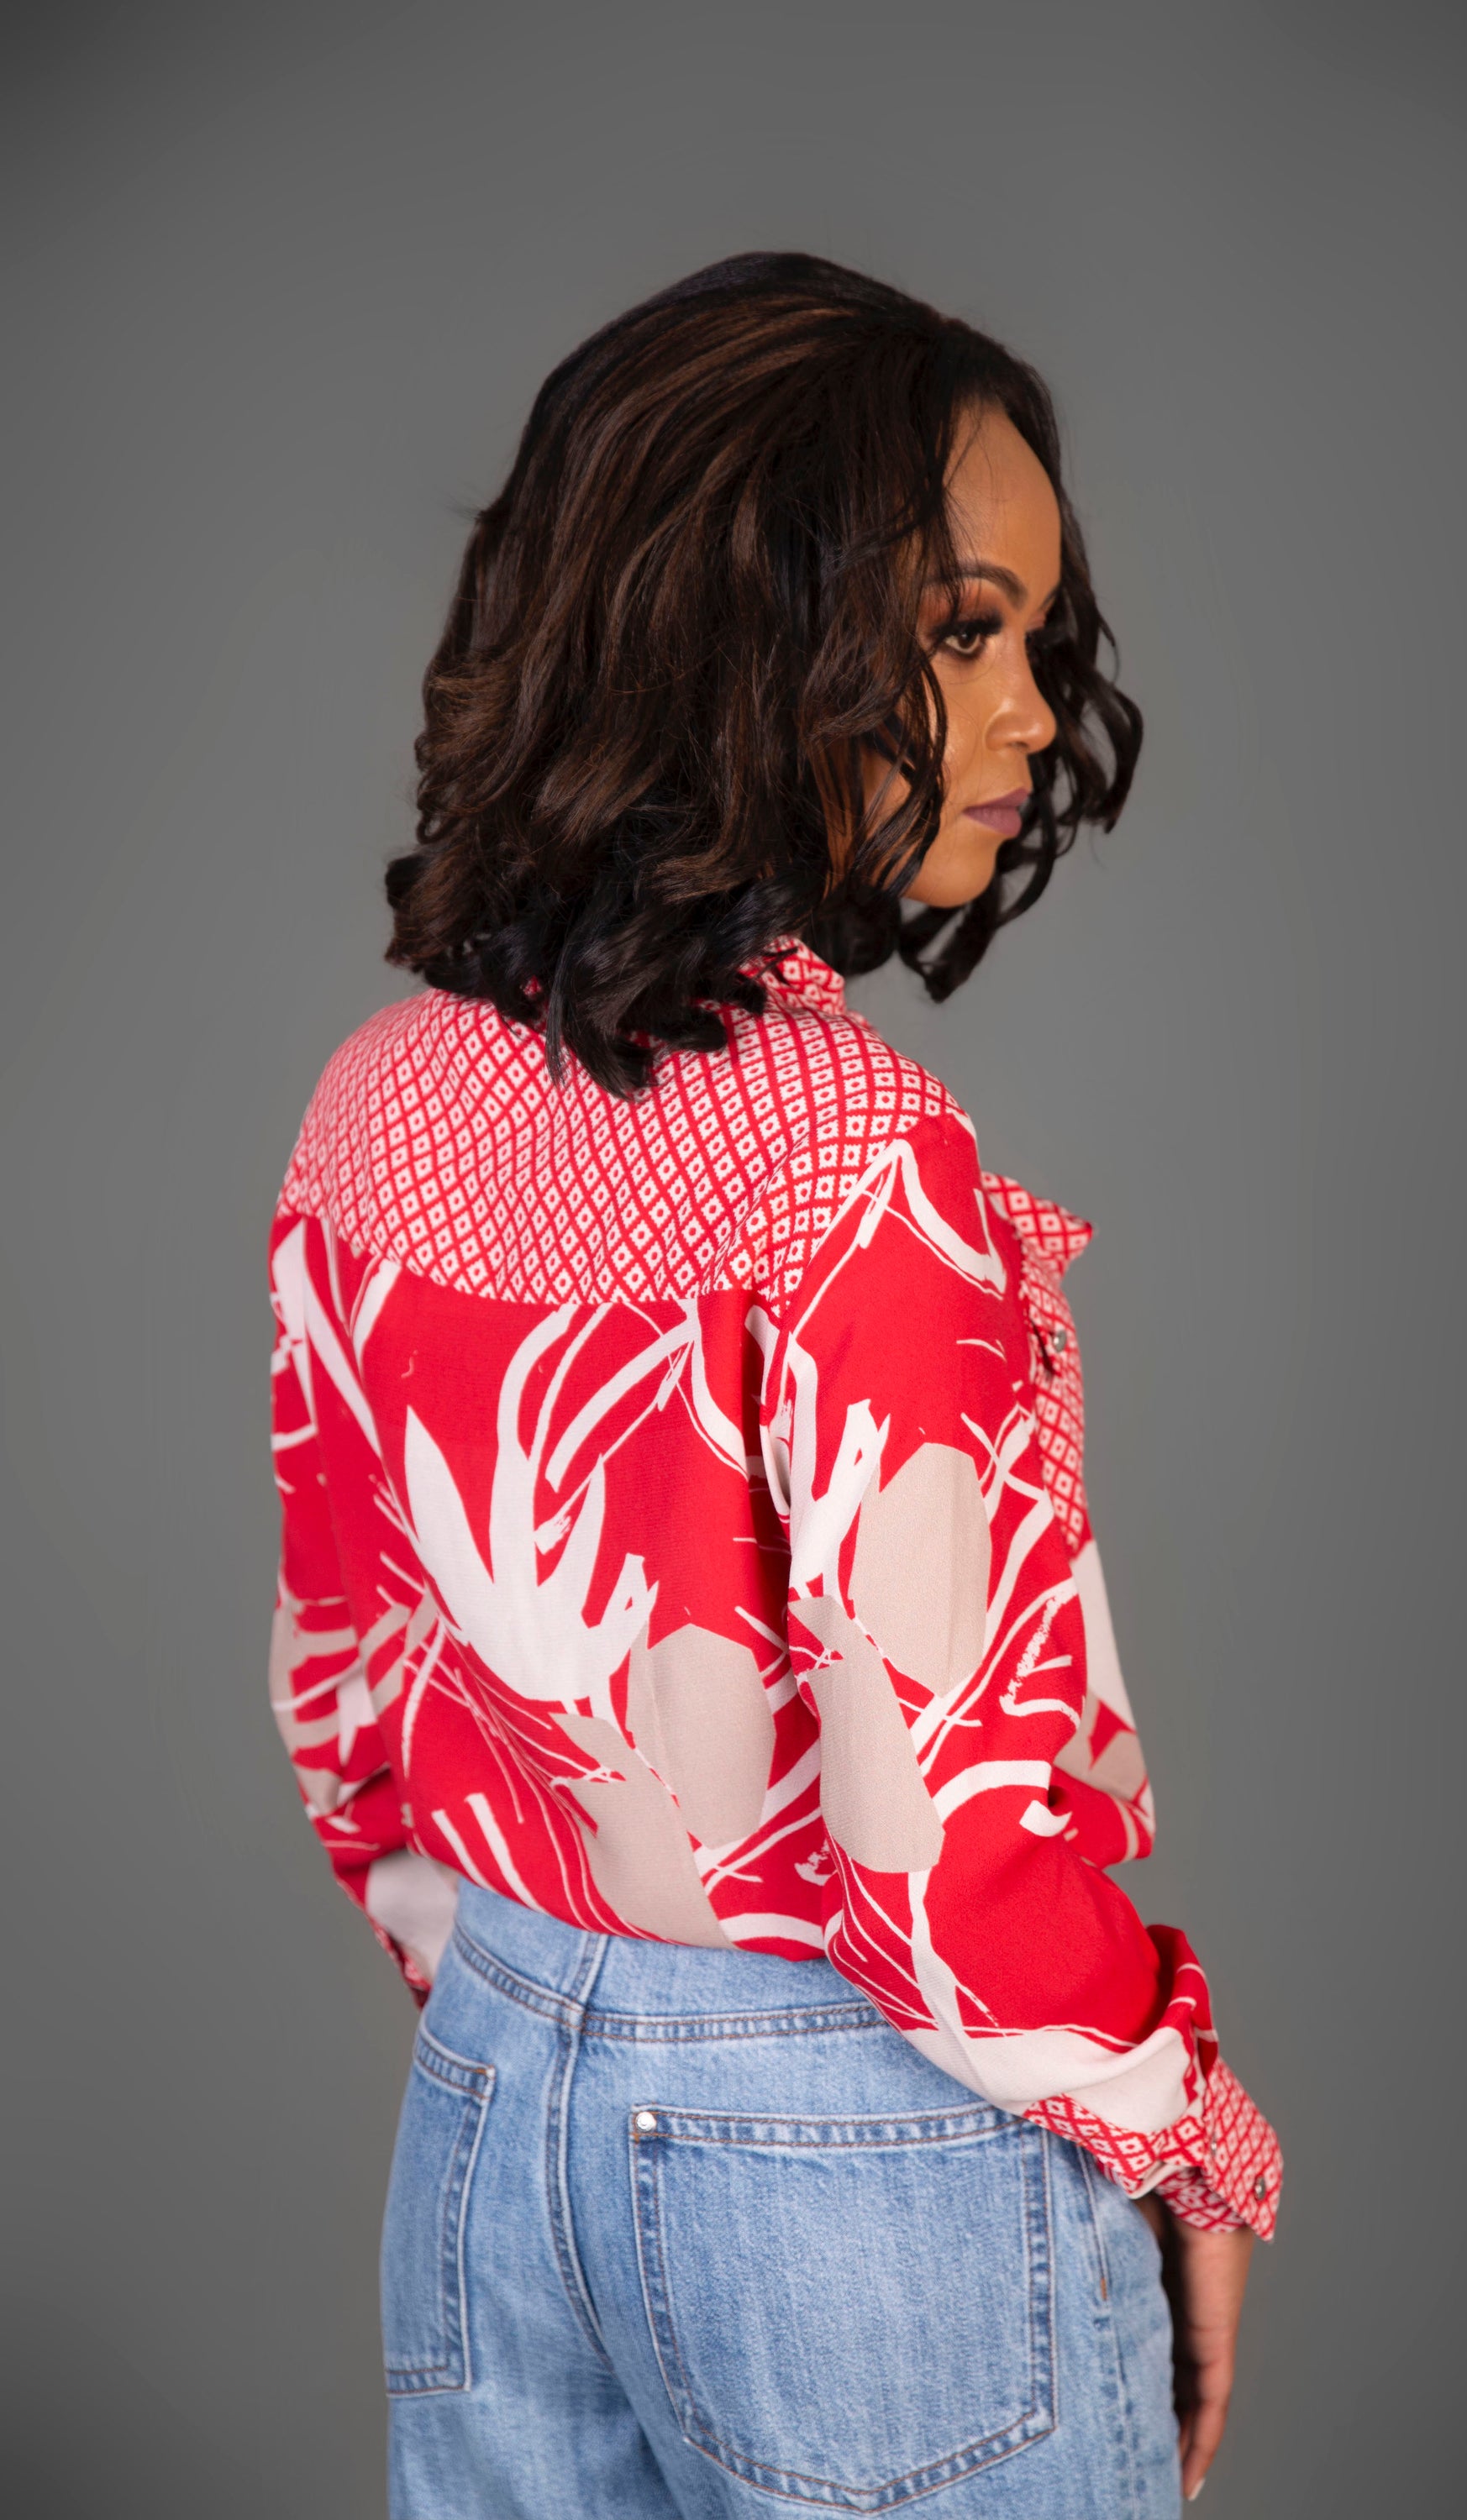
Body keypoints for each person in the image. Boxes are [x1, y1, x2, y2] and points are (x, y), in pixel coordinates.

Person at [268, 252, 1280, 2519]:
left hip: (493, 2107)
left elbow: (350, 1691)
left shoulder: (373, 1101)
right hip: (855, 2134)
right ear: (749, 641)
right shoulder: (852, 1157)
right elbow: (940, 1847)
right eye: (960, 634)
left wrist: (549, 2011)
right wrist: (1184, 2128)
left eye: (1034, 642)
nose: (1028, 718)